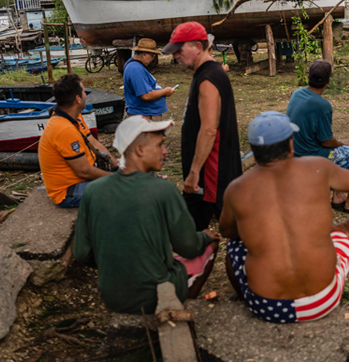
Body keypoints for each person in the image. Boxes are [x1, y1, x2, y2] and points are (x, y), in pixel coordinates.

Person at [220, 111, 349, 323]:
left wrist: (256, 231)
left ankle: (243, 298)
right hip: (323, 300)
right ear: (290, 145)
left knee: (234, 246)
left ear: (254, 151)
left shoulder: (236, 189)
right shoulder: (319, 167)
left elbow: (226, 231)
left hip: (267, 306)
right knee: (339, 237)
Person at [73, 116, 219, 315]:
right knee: (210, 243)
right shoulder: (163, 190)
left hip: (112, 296)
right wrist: (205, 236)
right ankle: (175, 305)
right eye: (160, 145)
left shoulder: (93, 191)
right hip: (152, 296)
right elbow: (189, 247)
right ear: (140, 150)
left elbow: (82, 253)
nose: (165, 151)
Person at [162, 21, 242, 231]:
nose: (176, 56)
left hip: (210, 172)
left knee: (219, 229)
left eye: (179, 51)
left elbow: (209, 129)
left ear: (197, 46)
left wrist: (195, 171)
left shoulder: (208, 78)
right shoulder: (206, 73)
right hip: (210, 171)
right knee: (203, 228)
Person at [286, 60, 349, 213]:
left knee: (337, 151)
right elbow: (327, 142)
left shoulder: (297, 93)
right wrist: (341, 144)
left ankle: (338, 196)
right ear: (328, 81)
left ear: (308, 76)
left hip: (294, 151)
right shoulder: (322, 105)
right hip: (310, 156)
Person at [39, 73, 119, 207]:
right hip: (69, 190)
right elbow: (83, 171)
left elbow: (93, 142)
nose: (85, 95)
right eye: (83, 91)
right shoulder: (63, 129)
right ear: (78, 99)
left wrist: (117, 166)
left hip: (83, 177)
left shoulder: (74, 116)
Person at [123, 38, 174, 120]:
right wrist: (165, 92)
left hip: (147, 113)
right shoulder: (135, 69)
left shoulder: (135, 65)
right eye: (152, 55)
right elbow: (146, 95)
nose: (153, 58)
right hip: (145, 115)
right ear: (144, 54)